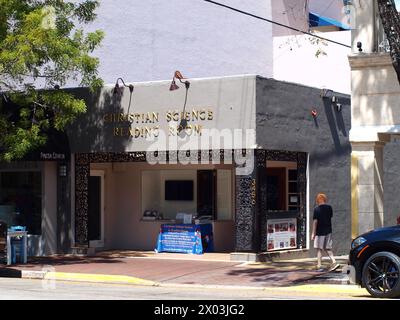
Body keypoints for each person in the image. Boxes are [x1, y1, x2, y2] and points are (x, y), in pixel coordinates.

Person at [311, 193, 339, 272]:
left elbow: (315, 222)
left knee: (319, 249)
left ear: (318, 200)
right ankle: (334, 261)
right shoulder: (329, 208)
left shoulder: (317, 209)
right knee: (328, 248)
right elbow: (329, 217)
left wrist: (313, 233)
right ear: (324, 199)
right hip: (328, 231)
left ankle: (319, 265)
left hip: (320, 232)